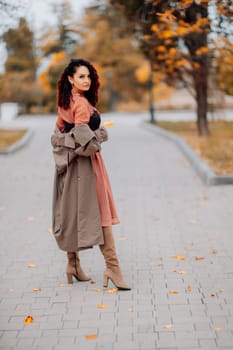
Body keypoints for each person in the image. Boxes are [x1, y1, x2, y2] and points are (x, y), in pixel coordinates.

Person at [51, 58, 131, 290]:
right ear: (70, 78)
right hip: (87, 169)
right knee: (102, 214)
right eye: (81, 76)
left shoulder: (65, 102)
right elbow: (89, 146)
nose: (86, 80)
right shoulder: (82, 105)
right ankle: (113, 268)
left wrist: (72, 142)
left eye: (88, 76)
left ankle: (73, 265)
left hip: (69, 168)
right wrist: (102, 134)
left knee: (71, 214)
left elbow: (56, 137)